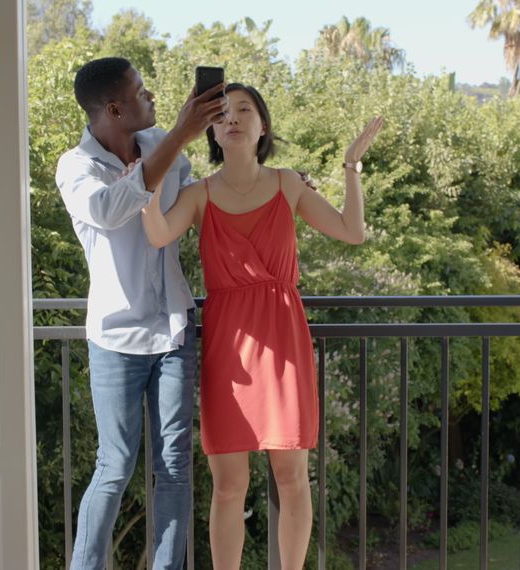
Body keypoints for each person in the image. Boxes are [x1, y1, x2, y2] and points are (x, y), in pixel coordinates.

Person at [141, 83, 383, 569]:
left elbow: (352, 232)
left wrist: (351, 166)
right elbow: (157, 232)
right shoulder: (198, 195)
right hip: (230, 350)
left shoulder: (289, 184)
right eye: (222, 113)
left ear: (263, 125)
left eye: (244, 110)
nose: (232, 118)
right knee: (229, 486)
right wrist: (145, 175)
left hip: (283, 343)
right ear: (210, 128)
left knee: (292, 478)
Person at [56, 56, 227, 570]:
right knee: (115, 465)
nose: (151, 96)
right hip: (115, 338)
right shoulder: (76, 166)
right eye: (140, 91)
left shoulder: (163, 149)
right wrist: (179, 132)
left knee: (175, 466)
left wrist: (273, 184)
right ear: (113, 108)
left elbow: (197, 201)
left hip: (174, 328)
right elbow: (112, 210)